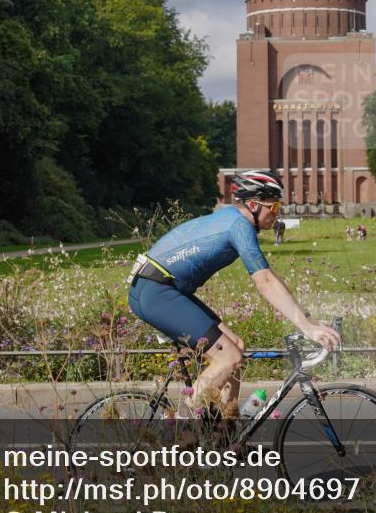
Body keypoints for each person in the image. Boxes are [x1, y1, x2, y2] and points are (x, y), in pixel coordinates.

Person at [126, 170, 340, 413]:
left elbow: (270, 279)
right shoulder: (239, 226)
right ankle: (182, 429)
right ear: (253, 205)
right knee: (228, 358)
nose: (277, 213)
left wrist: (306, 318)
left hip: (163, 288)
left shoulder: (232, 217)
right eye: (274, 206)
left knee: (236, 346)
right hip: (155, 291)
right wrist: (307, 327)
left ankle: (225, 438)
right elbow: (266, 282)